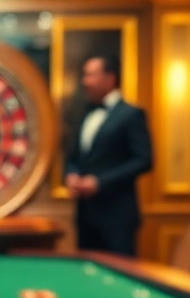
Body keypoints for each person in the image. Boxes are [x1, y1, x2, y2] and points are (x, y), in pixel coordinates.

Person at [64, 54, 153, 256]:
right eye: (84, 76)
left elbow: (144, 160)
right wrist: (71, 174)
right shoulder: (84, 113)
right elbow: (74, 157)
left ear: (110, 78)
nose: (84, 81)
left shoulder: (131, 114)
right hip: (85, 215)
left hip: (117, 216)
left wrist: (99, 183)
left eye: (91, 75)